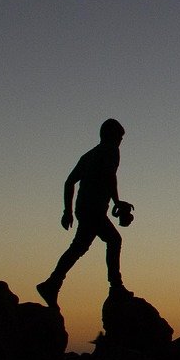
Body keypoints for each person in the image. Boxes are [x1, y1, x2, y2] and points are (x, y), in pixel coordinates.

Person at [37, 118, 131, 308]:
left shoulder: (88, 155)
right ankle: (116, 286)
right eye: (120, 136)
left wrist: (68, 211)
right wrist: (117, 202)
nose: (121, 140)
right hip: (94, 208)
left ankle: (52, 284)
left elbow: (69, 182)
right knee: (114, 240)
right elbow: (109, 176)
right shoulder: (111, 150)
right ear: (111, 135)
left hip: (83, 208)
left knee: (79, 247)